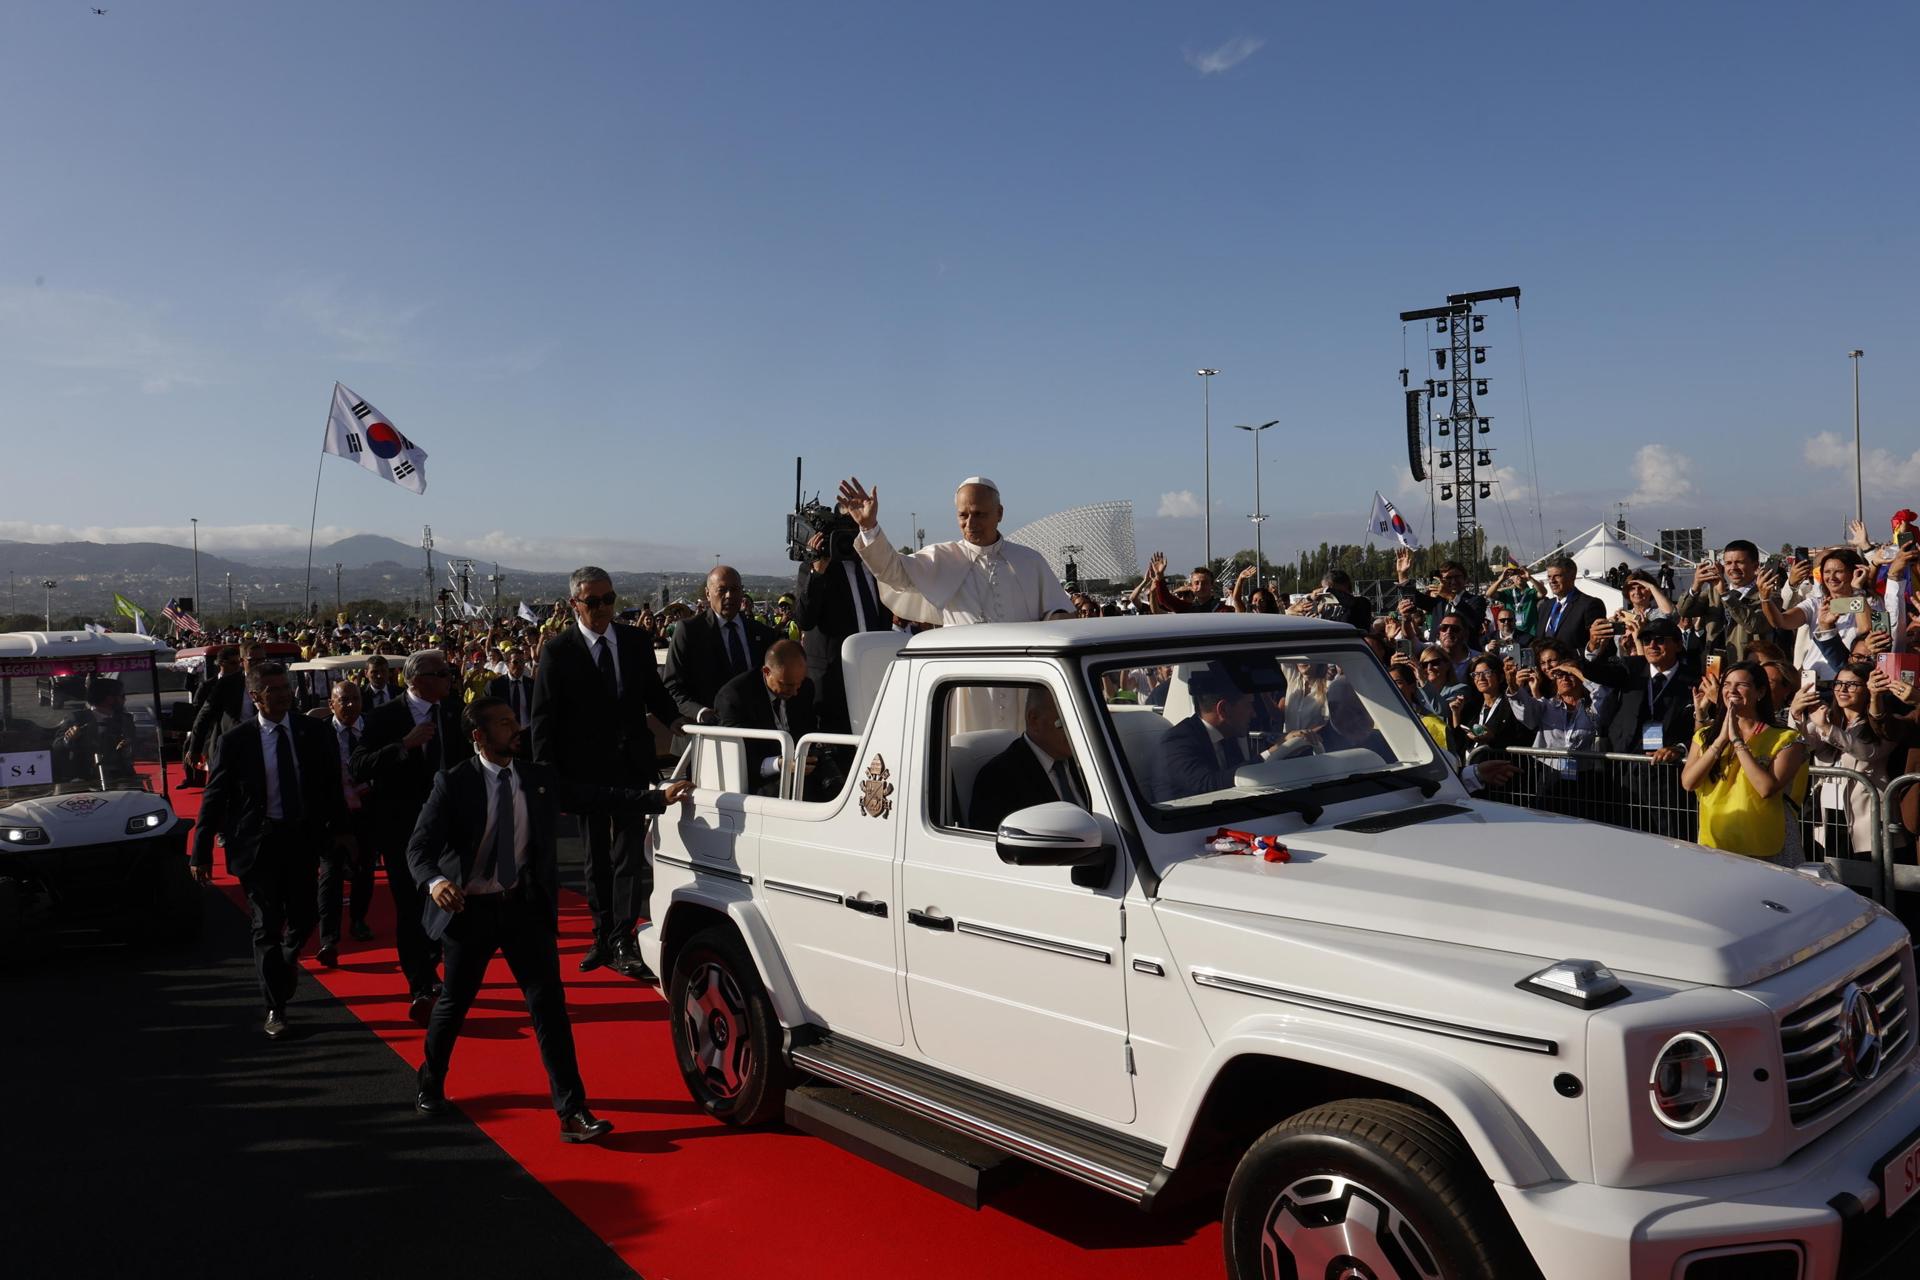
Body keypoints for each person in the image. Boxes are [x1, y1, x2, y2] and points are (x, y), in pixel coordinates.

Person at [408, 696, 694, 1141]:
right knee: (454, 1004)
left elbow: (594, 797)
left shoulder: (538, 778)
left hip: (524, 908)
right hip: (470, 911)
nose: (515, 728)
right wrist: (435, 882)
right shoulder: (454, 783)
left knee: (550, 1009)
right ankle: (431, 1078)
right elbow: (419, 848)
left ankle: (572, 1111)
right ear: (479, 736)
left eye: (513, 720)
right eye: (504, 724)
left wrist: (656, 797)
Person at [531, 566, 689, 979]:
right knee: (595, 856)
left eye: (608, 600)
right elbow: (543, 718)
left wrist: (678, 722)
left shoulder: (635, 642)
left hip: (632, 765)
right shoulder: (558, 651)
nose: (602, 609)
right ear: (574, 604)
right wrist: (546, 780)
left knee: (629, 855)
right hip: (583, 771)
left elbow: (655, 696)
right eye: (592, 601)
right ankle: (602, 933)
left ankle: (623, 936)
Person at [838, 474, 1071, 731]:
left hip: (1023, 683)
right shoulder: (943, 557)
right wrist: (869, 527)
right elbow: (894, 571)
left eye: (980, 514)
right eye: (963, 515)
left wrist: (1057, 620)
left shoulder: (1030, 561)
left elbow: (1058, 613)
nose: (970, 523)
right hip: (966, 686)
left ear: (999, 513)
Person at [190, 662, 347, 1039]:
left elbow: (331, 786)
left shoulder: (312, 732)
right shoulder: (237, 741)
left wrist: (342, 833)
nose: (283, 695)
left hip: (302, 839)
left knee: (306, 916)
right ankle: (275, 1006)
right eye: (273, 689)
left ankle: (289, 959)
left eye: (285, 687)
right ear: (255, 696)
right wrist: (201, 848)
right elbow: (216, 796)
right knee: (265, 927)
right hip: (257, 845)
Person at [352, 649, 473, 1024]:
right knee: (409, 907)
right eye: (442, 673)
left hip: (449, 831)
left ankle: (433, 964)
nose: (450, 678)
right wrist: (403, 746)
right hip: (402, 829)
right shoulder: (383, 717)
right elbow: (358, 765)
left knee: (446, 904)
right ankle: (419, 984)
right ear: (418, 680)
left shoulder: (453, 713)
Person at [1679, 661, 1809, 863]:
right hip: (1714, 842)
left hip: (1765, 846)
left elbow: (1766, 788)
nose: (1732, 690)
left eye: (1742, 685)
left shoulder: (1786, 739)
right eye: (1727, 684)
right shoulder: (1705, 736)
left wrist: (1738, 742)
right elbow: (1688, 782)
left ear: (1760, 692)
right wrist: (1720, 741)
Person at [1787, 662, 1899, 859]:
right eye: (1838, 683)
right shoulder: (1826, 716)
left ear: (1868, 690)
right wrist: (1795, 714)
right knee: (1832, 873)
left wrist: (1829, 729)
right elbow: (1800, 744)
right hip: (1828, 813)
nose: (1843, 689)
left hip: (1866, 816)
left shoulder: (1886, 724)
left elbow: (1867, 752)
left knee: (1867, 880)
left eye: (1852, 685)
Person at [665, 565, 777, 725]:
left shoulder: (762, 633)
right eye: (722, 590)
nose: (729, 596)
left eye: (735, 589)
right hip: (707, 733)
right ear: (707, 594)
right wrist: (699, 712)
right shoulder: (689, 631)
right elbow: (672, 686)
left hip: (754, 733)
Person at [969, 686, 1089, 831]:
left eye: (1079, 721)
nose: (1077, 731)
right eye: (1063, 723)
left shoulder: (1086, 762)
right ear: (1034, 720)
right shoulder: (998, 779)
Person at [713, 638, 822, 798]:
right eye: (787, 685)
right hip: (756, 779)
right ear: (766, 672)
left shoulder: (805, 687)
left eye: (798, 683)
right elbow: (738, 759)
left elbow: (808, 730)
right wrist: (780, 764)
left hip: (799, 769)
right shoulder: (734, 697)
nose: (795, 692)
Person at [317, 680, 375, 963]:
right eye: (344, 700)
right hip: (333, 815)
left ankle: (359, 920)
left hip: (367, 813)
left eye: (355, 699)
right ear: (332, 704)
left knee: (365, 871)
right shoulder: (320, 733)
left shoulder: (374, 730)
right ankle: (329, 938)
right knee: (331, 875)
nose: (350, 705)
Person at [1675, 539, 1778, 662]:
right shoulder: (1713, 592)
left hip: (1747, 666)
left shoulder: (1768, 595)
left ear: (1755, 566)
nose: (1733, 568)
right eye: (1728, 563)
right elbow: (1683, 611)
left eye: (1739, 562)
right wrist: (1696, 586)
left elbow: (1755, 625)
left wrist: (1725, 595)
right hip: (1714, 664)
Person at [51, 677, 137, 783]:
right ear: (108, 698)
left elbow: (137, 745)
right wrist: (68, 739)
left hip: (120, 777)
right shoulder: (77, 718)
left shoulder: (125, 719)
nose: (125, 700)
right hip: (85, 779)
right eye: (122, 696)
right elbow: (57, 746)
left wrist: (130, 745)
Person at [1537, 557, 1605, 654]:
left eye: (1557, 576)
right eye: (1549, 577)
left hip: (1575, 666)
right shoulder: (1545, 606)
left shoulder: (1590, 605)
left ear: (1572, 576)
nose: (1552, 581)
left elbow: (1600, 646)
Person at [1143, 552, 1223, 614]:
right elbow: (1166, 599)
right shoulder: (1187, 608)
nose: (1201, 586)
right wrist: (1159, 576)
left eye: (1205, 583)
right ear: (1191, 586)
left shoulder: (1223, 610)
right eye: (1196, 583)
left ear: (1211, 585)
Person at [488, 648, 537, 733]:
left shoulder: (532, 685)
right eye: (516, 662)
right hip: (504, 733)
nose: (520, 665)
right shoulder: (495, 686)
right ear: (507, 664)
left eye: (522, 662)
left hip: (528, 732)